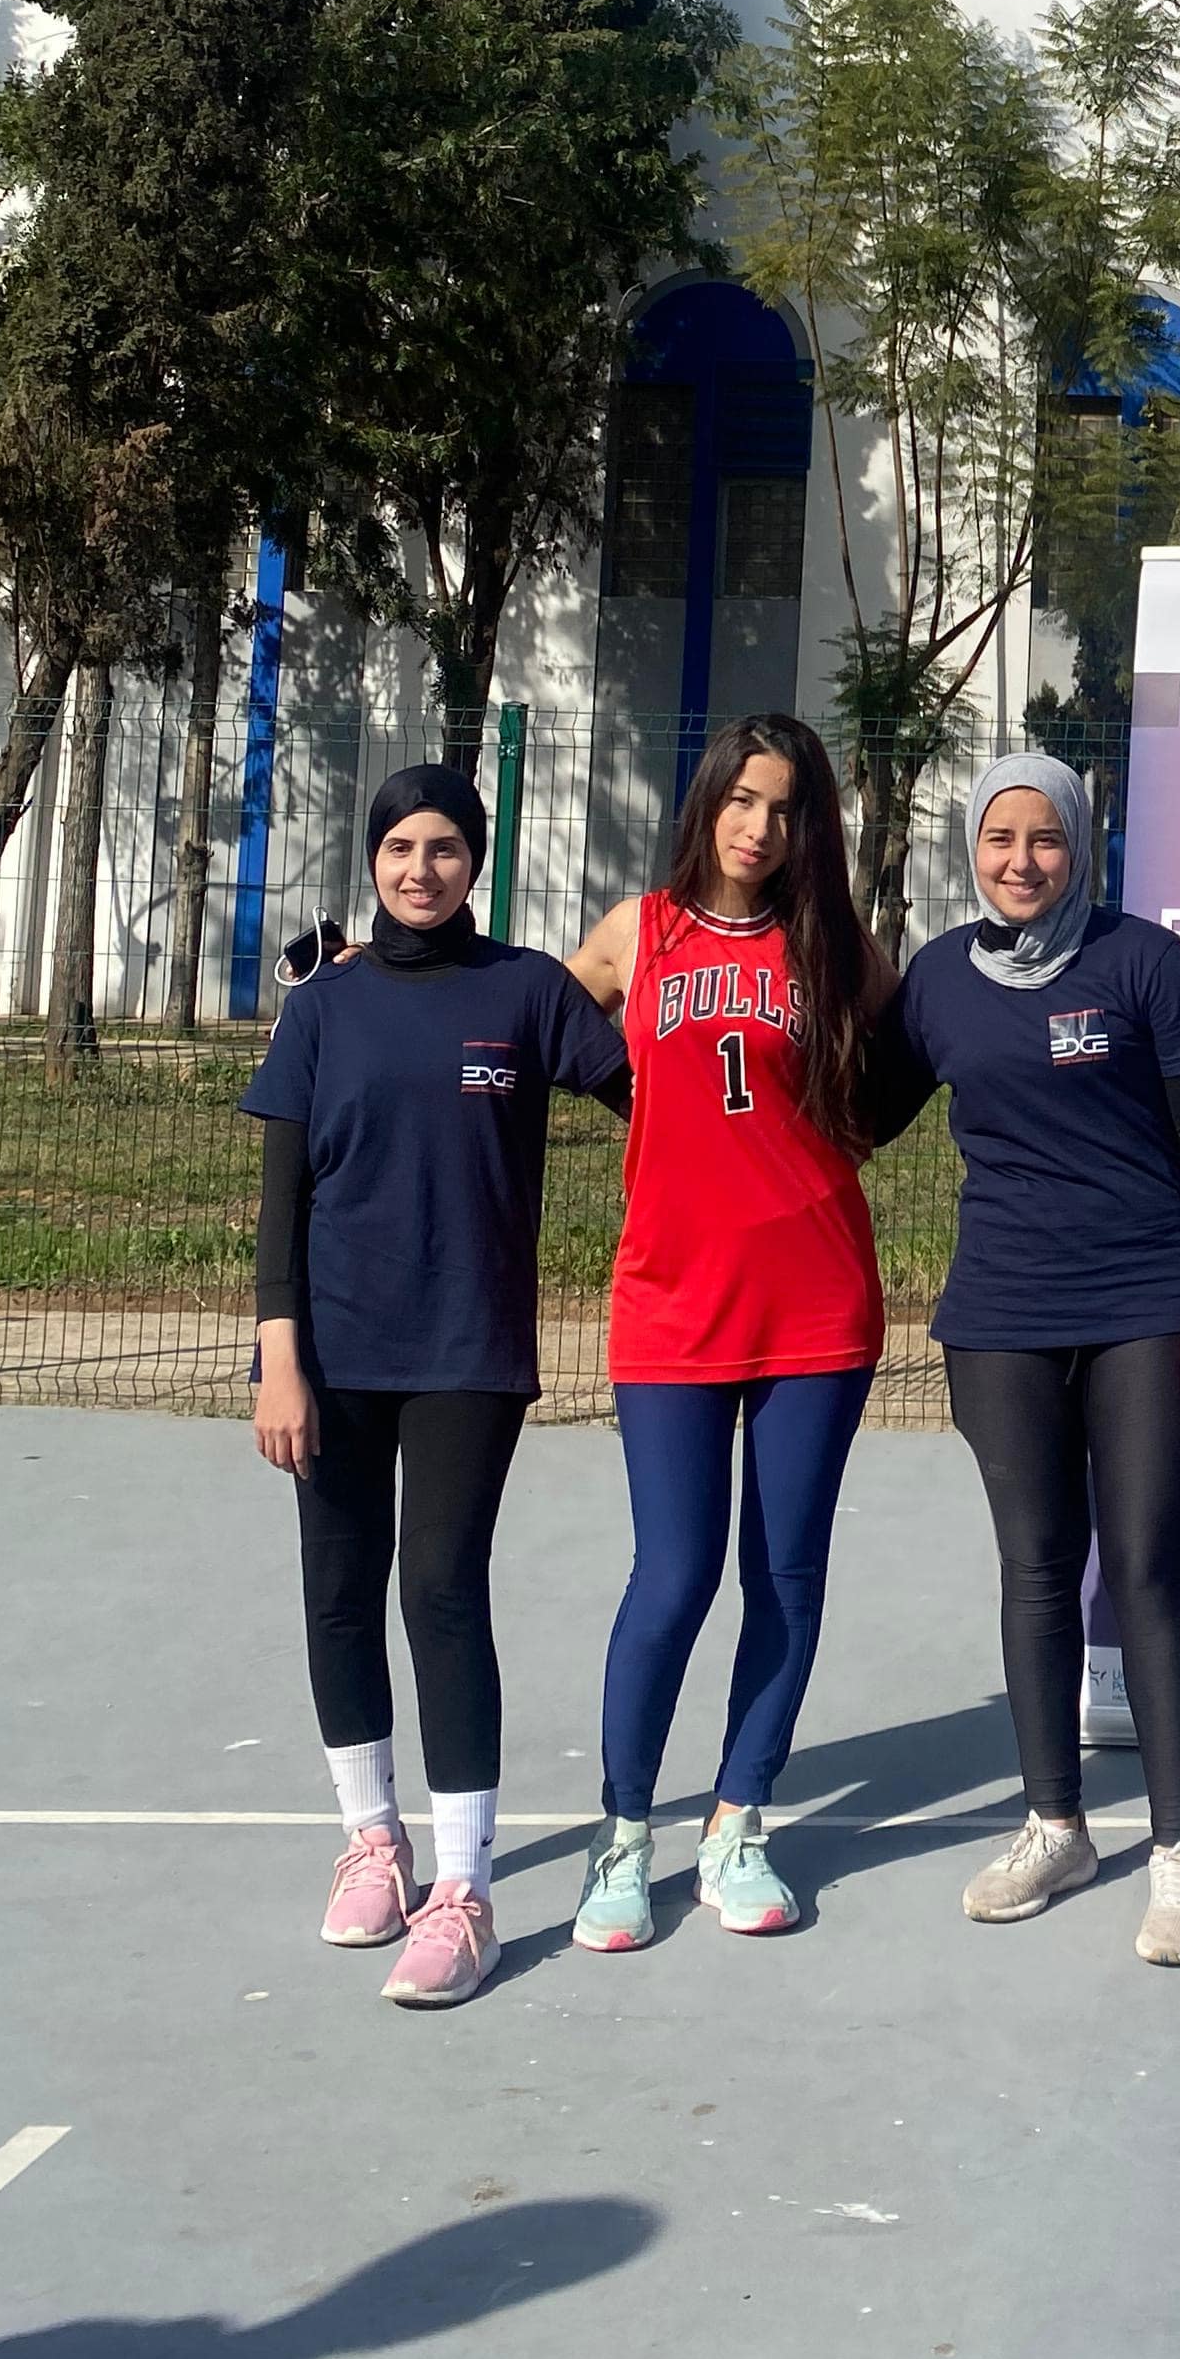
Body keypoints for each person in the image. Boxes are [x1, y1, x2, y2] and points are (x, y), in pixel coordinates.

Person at [245, 762, 632, 2012]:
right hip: (334, 1358)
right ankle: (373, 1840)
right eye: (401, 848)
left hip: (468, 1352)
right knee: (339, 1594)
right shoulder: (323, 1007)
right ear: (373, 860)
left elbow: (662, 1102)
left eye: (447, 849)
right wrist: (278, 1353)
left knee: (441, 1595)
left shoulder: (527, 994)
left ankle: (462, 1890)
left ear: (477, 862)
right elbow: (280, 1204)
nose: (422, 870)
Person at [865, 754, 1180, 1968]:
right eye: (997, 841)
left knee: (1143, 1570)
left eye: (1045, 840)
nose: (1021, 862)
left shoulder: (1138, 960)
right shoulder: (936, 980)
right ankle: (1056, 1825)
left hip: (1142, 1305)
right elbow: (854, 1112)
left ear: (1081, 847)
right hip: (1001, 1316)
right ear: (969, 851)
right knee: (1037, 1568)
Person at [559, 714, 889, 1951]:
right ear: (707, 804)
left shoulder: (837, 949)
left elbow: (911, 1056)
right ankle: (624, 1835)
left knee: (783, 1578)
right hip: (670, 1301)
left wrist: (845, 1145)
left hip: (815, 1303)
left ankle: (739, 1821)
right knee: (673, 1574)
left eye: (787, 807)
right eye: (744, 800)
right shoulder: (636, 933)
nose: (761, 827)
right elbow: (535, 1023)